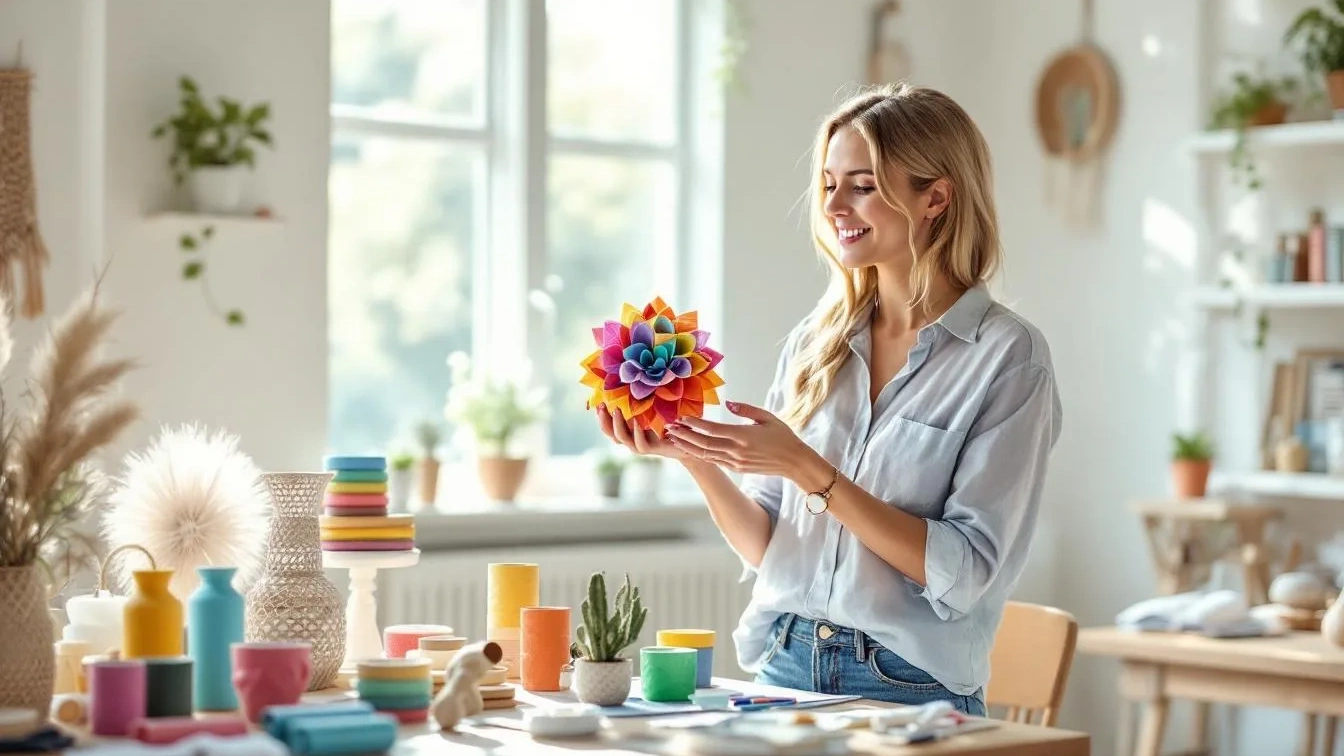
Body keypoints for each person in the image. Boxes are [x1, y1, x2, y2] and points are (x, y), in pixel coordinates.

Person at [594, 82, 1061, 716]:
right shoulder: (817, 345)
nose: (835, 204)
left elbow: (965, 569)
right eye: (828, 182)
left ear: (937, 198)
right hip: (783, 667)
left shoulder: (1007, 358)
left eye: (863, 184)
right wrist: (693, 454)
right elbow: (771, 548)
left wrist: (806, 469)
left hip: (909, 691)